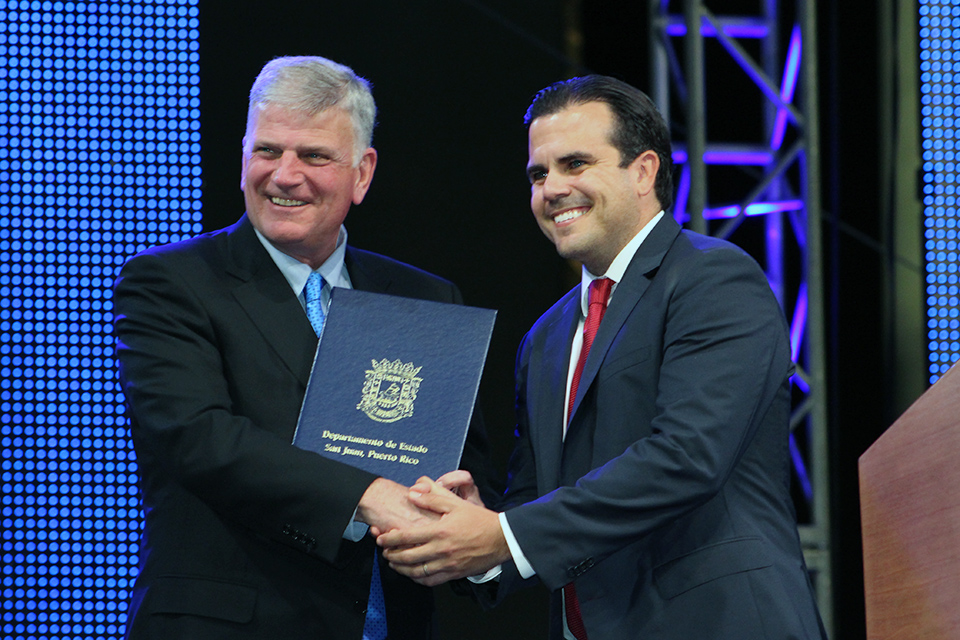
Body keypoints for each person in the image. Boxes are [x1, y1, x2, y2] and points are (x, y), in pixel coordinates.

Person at [377, 75, 828, 639]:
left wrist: (507, 534)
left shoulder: (712, 277)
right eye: (539, 174)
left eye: (575, 164)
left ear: (643, 171)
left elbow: (688, 457)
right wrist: (479, 527)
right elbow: (539, 495)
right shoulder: (546, 335)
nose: (552, 188)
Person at [113, 55, 493, 639]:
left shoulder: (424, 297)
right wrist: (370, 496)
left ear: (362, 173)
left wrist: (464, 512)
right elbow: (199, 439)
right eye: (267, 151)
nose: (285, 175)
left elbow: (469, 464)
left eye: (314, 156)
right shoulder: (172, 282)